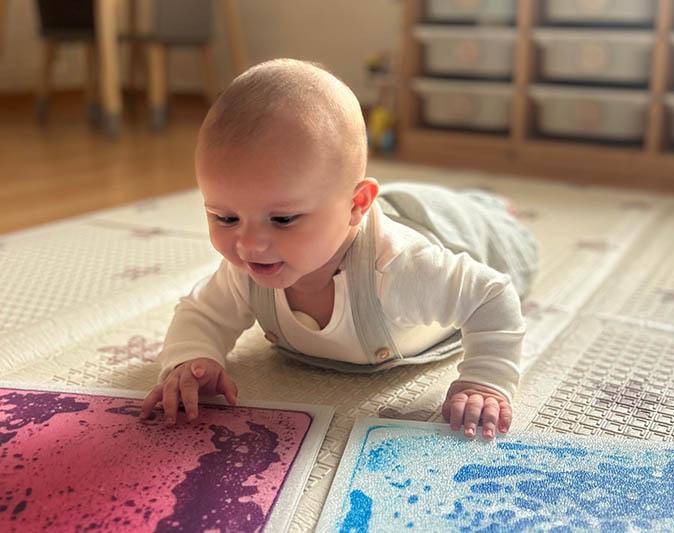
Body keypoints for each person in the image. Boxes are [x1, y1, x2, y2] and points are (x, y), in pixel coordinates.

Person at [139, 59, 538, 440]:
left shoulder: (399, 267)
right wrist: (192, 360)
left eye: (282, 219)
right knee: (386, 199)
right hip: (363, 209)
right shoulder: (246, 269)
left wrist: (484, 381)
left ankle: (490, 206)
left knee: (492, 230)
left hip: (457, 229)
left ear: (355, 205)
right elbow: (202, 314)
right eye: (225, 218)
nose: (249, 244)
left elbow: (491, 295)